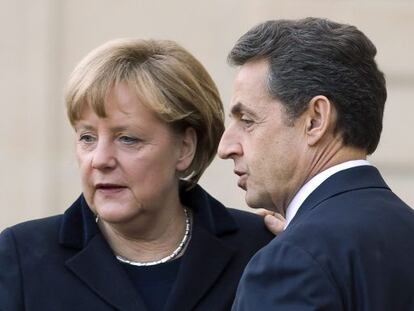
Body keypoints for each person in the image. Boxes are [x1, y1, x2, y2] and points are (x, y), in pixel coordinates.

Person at [0, 39, 274, 311]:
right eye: (87, 137)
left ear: (184, 148)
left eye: (127, 139)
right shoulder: (21, 257)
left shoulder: (260, 249)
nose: (100, 160)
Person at [218, 17, 414, 310]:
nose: (225, 147)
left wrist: (305, 250)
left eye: (247, 120)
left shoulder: (289, 264)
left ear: (315, 120)